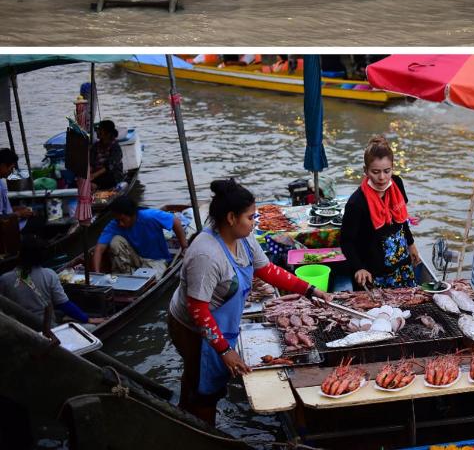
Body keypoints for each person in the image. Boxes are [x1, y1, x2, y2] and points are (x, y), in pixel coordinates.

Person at [168, 178, 332, 423]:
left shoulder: (244, 238)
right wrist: (225, 351)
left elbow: (267, 271)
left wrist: (310, 290)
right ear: (231, 218)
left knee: (200, 380)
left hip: (219, 320)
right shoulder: (206, 254)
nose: (254, 222)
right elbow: (198, 309)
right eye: (250, 217)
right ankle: (200, 430)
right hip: (192, 327)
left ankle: (185, 411)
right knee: (202, 387)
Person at [341, 136, 421, 289]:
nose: (382, 177)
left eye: (387, 171)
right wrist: (359, 267)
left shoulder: (397, 183)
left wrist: (411, 244)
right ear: (366, 171)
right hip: (372, 270)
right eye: (375, 172)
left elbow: (402, 220)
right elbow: (346, 241)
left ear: (393, 168)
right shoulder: (356, 203)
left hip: (401, 263)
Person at [0, 238, 92, 326]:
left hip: (19, 329)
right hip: (46, 328)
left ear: (20, 254)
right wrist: (86, 319)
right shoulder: (49, 275)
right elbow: (64, 304)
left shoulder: (4, 279)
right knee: (90, 327)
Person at [91, 195, 185, 274]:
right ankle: (126, 274)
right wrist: (97, 274)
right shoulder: (115, 224)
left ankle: (138, 277)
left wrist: (184, 247)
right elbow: (99, 249)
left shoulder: (149, 216)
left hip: (157, 260)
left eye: (123, 220)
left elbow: (175, 221)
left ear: (132, 215)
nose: (120, 224)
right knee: (115, 241)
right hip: (135, 258)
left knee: (149, 282)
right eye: (117, 220)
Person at [0, 148, 34, 224]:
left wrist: (15, 209)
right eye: (11, 168)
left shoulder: (1, 183)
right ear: (2, 166)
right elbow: (2, 219)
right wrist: (19, 214)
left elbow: (3, 210)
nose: (10, 172)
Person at [89, 119, 124, 191]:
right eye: (97, 129)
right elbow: (91, 163)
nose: (97, 132)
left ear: (108, 133)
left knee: (111, 178)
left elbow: (110, 166)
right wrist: (88, 174)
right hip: (97, 174)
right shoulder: (95, 146)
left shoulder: (115, 147)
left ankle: (97, 186)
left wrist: (94, 175)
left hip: (112, 175)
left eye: (100, 130)